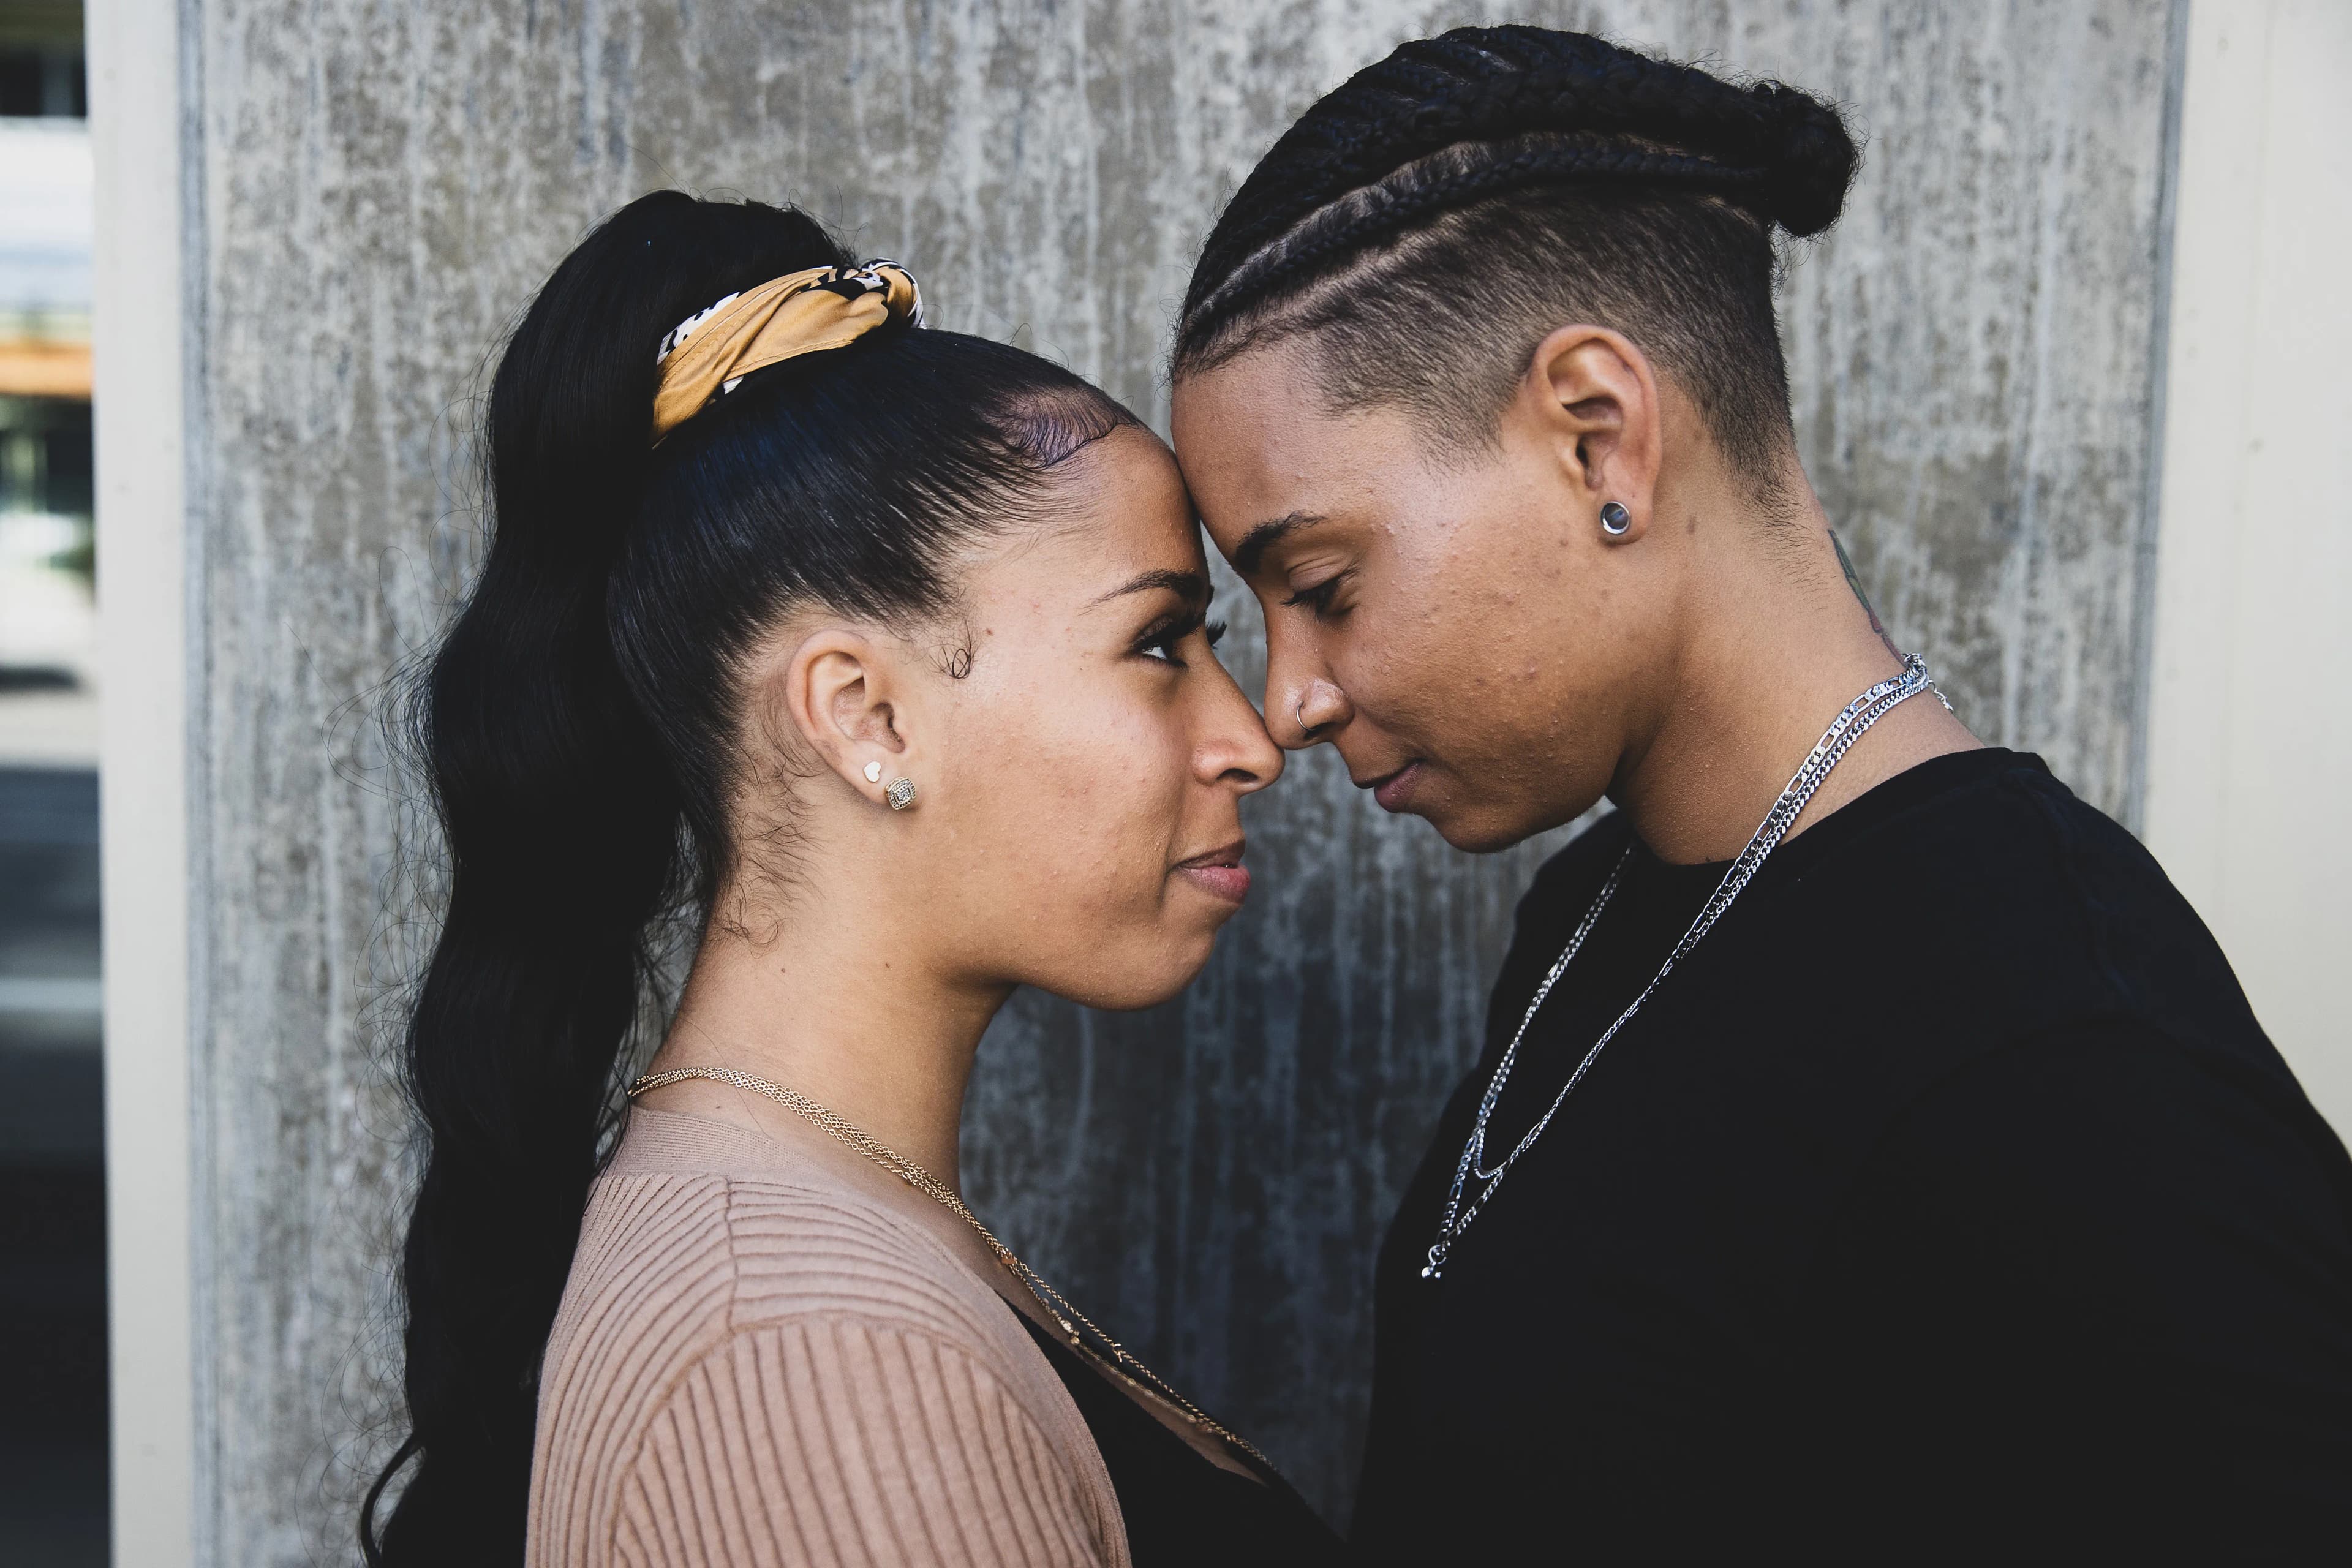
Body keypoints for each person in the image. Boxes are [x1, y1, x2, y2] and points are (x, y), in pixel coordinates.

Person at [1169, 24, 2352, 1562]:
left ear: (1600, 431)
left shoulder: (2059, 1050)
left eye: (1320, 581)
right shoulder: (1593, 908)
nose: (1289, 700)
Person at [360, 190, 1344, 1568]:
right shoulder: (809, 1356)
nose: (1254, 738)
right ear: (864, 716)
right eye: (1160, 643)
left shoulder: (804, 1260)